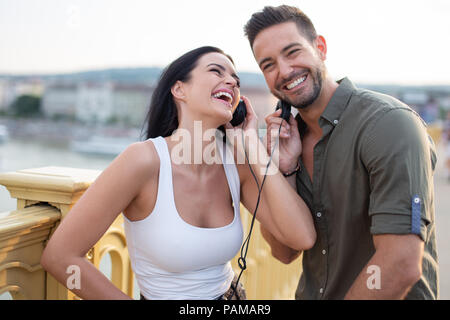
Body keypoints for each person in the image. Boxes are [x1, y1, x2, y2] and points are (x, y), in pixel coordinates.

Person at [40, 46, 316, 300]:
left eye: (235, 79)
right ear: (179, 90)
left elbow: (300, 238)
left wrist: (253, 148)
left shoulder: (239, 160)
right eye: (216, 71)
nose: (232, 82)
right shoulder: (142, 161)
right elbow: (59, 257)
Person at [244, 5, 438, 299]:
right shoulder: (289, 140)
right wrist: (284, 169)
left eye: (292, 52)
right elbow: (284, 251)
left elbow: (400, 264)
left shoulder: (387, 124)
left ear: (320, 47)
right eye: (268, 64)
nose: (284, 71)